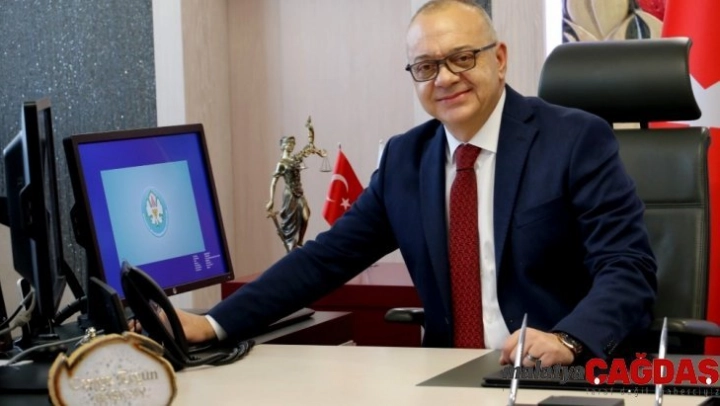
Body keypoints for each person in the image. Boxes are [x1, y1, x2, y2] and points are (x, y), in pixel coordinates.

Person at [177, 0, 657, 367]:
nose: (445, 78)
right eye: (426, 67)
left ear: (499, 59)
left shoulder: (574, 140)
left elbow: (627, 267)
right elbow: (325, 260)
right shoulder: (405, 159)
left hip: (554, 372)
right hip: (447, 377)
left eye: (462, 58)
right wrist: (213, 323)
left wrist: (568, 340)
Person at [265, 117, 327, 252]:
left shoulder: (295, 159)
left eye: (292, 143)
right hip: (289, 194)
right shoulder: (281, 163)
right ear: (282, 146)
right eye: (288, 143)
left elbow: (310, 145)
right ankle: (291, 244)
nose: (291, 145)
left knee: (306, 215)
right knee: (290, 224)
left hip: (299, 192)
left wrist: (310, 129)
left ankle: (300, 241)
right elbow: (274, 182)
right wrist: (271, 200)